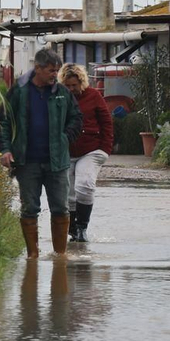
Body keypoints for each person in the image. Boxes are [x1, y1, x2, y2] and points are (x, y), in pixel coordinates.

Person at [0, 47, 83, 258]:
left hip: (57, 163)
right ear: (38, 68)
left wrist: (65, 138)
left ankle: (60, 256)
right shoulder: (19, 91)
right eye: (51, 70)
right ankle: (32, 255)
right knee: (29, 208)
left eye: (57, 70)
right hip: (27, 162)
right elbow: (2, 121)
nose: (55, 75)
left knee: (61, 209)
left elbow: (77, 119)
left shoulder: (62, 93)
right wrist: (5, 149)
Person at [62, 63, 114, 242]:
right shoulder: (58, 97)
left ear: (81, 82)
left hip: (91, 149)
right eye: (67, 85)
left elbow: (106, 122)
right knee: (67, 193)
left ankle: (82, 227)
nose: (71, 89)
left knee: (84, 185)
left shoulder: (93, 96)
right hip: (65, 151)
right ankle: (72, 231)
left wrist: (105, 148)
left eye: (74, 85)